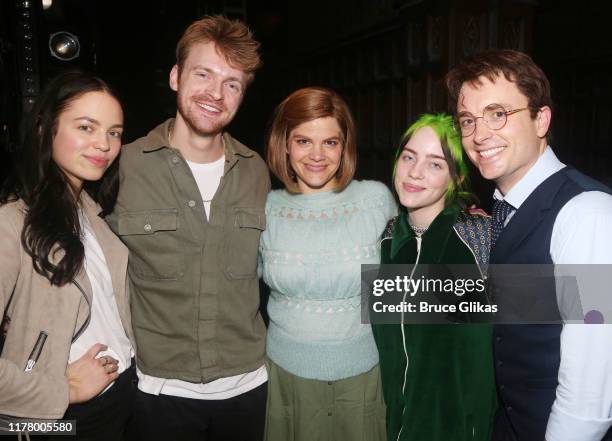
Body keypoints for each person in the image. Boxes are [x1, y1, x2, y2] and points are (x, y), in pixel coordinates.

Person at [106, 15, 270, 441]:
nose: (216, 93)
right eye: (204, 74)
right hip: (158, 396)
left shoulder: (258, 172)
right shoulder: (121, 167)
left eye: (232, 83)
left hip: (250, 391)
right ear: (176, 77)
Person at [445, 49, 612, 441]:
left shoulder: (587, 213)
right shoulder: (500, 210)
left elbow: (590, 398)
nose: (479, 134)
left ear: (541, 119)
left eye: (498, 114)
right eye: (467, 120)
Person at [0, 71, 136, 440]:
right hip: (62, 415)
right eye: (86, 127)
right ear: (45, 129)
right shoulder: (11, 223)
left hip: (121, 397)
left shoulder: (93, 213)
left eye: (114, 132)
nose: (104, 145)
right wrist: (64, 390)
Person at [260, 86, 397, 441]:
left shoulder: (376, 199)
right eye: (304, 141)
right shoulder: (265, 208)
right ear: (285, 144)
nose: (317, 155)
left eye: (330, 142)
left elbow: (410, 280)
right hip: (287, 377)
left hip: (365, 374)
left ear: (345, 145)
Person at [371, 114, 496, 441]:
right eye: (409, 156)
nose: (414, 172)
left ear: (455, 177)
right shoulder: (386, 240)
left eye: (435, 164)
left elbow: (580, 312)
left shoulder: (478, 239)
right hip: (395, 425)